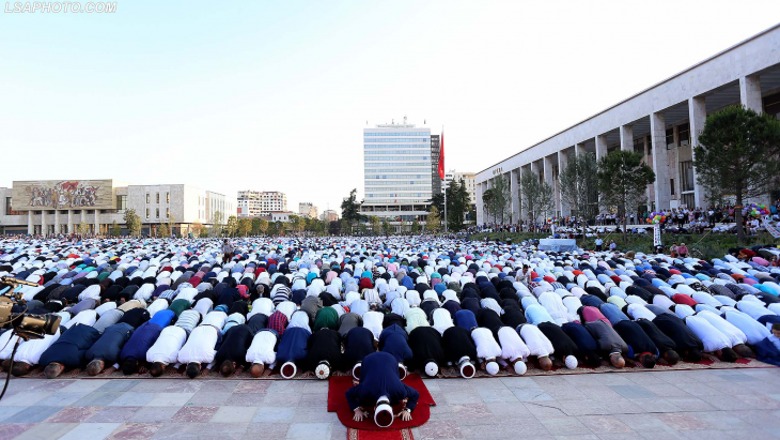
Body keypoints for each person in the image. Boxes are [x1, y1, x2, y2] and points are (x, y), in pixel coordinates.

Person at [346, 351, 420, 426]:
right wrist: (408, 409)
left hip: (389, 359)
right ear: (375, 407)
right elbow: (348, 393)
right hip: (372, 360)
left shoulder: (399, 390)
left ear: (375, 408)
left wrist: (408, 409)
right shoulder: (366, 390)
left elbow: (415, 394)